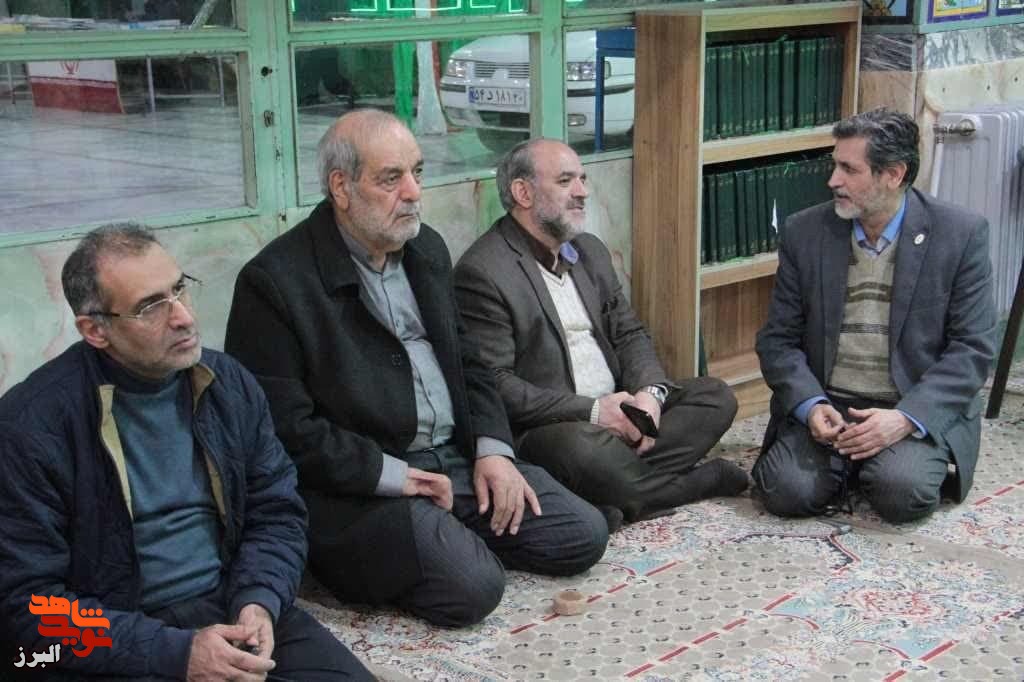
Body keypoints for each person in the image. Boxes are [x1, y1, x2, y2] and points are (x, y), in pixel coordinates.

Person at [224, 110, 608, 629]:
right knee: (475, 587)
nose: (412, 192)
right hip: (362, 486)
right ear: (341, 187)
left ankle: (446, 536)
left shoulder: (425, 249)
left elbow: (471, 364)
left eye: (418, 173)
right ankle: (408, 551)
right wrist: (395, 477)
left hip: (453, 460)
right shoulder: (275, 282)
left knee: (582, 534)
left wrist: (493, 451)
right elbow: (285, 429)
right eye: (391, 179)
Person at [0, 224, 371, 680]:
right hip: (117, 636)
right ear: (95, 330)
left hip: (229, 603)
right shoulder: (31, 426)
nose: (182, 317)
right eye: (150, 306)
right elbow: (31, 607)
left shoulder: (227, 383)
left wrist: (259, 599)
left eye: (179, 289)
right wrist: (177, 653)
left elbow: (276, 510)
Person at [453, 138, 747, 528]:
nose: (582, 192)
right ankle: (693, 483)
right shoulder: (484, 271)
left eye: (583, 179)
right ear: (523, 193)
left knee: (715, 397)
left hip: (620, 410)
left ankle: (613, 493)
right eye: (565, 181)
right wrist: (593, 412)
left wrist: (649, 397)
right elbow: (496, 384)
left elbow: (629, 333)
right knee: (583, 452)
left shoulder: (589, 250)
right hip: (556, 428)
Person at [753, 108, 997, 523]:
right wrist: (810, 405)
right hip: (831, 401)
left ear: (893, 174)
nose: (833, 180)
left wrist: (905, 418)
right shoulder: (804, 232)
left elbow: (973, 349)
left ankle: (876, 462)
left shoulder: (960, 234)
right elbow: (778, 340)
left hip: (906, 403)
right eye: (835, 165)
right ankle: (851, 461)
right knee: (785, 492)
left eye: (849, 169)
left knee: (902, 493)